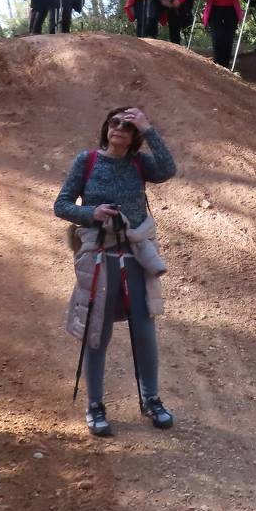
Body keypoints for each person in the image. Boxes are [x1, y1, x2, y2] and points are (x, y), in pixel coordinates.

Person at [55, 107, 178, 437]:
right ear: (105, 128)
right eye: (114, 123)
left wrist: (149, 129)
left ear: (135, 135)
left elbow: (169, 169)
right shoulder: (88, 160)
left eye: (128, 125)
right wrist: (92, 213)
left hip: (136, 255)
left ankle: (151, 399)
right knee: (97, 332)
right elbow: (61, 204)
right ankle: (95, 404)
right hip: (99, 255)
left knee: (144, 330)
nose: (119, 128)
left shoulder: (140, 163)